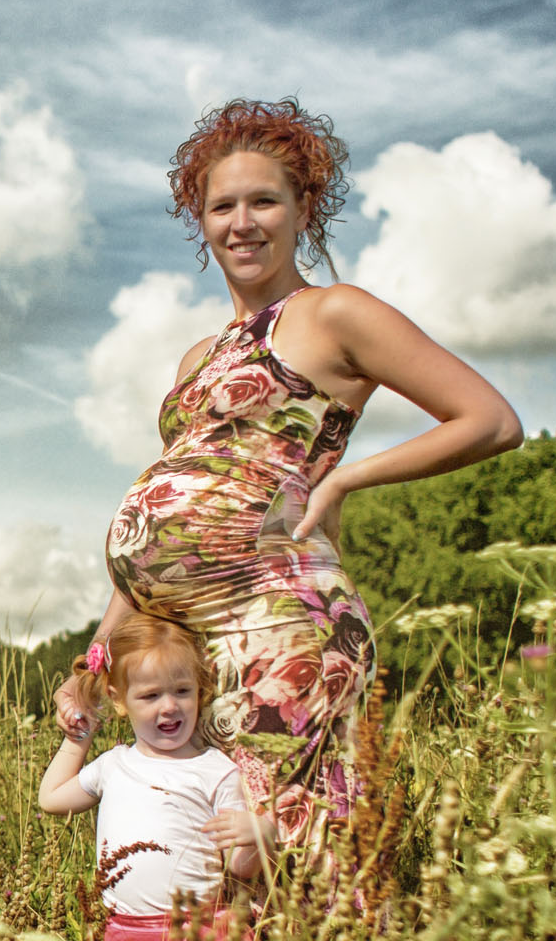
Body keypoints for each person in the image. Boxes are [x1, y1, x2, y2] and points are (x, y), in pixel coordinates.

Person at [55, 98, 523, 853]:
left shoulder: (335, 313)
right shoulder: (198, 358)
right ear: (200, 223)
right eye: (222, 206)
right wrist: (97, 660)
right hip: (195, 644)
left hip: (281, 627)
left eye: (264, 201)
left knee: (277, 853)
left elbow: (490, 421)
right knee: (208, 857)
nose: (243, 223)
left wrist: (343, 482)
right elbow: (158, 528)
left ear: (303, 209)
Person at [39, 613, 267, 941]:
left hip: (202, 937)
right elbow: (51, 799)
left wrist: (257, 834)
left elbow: (237, 870)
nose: (169, 706)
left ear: (199, 693)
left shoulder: (215, 770)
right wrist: (76, 739)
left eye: (182, 691)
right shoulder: (113, 766)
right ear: (120, 702)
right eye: (150, 696)